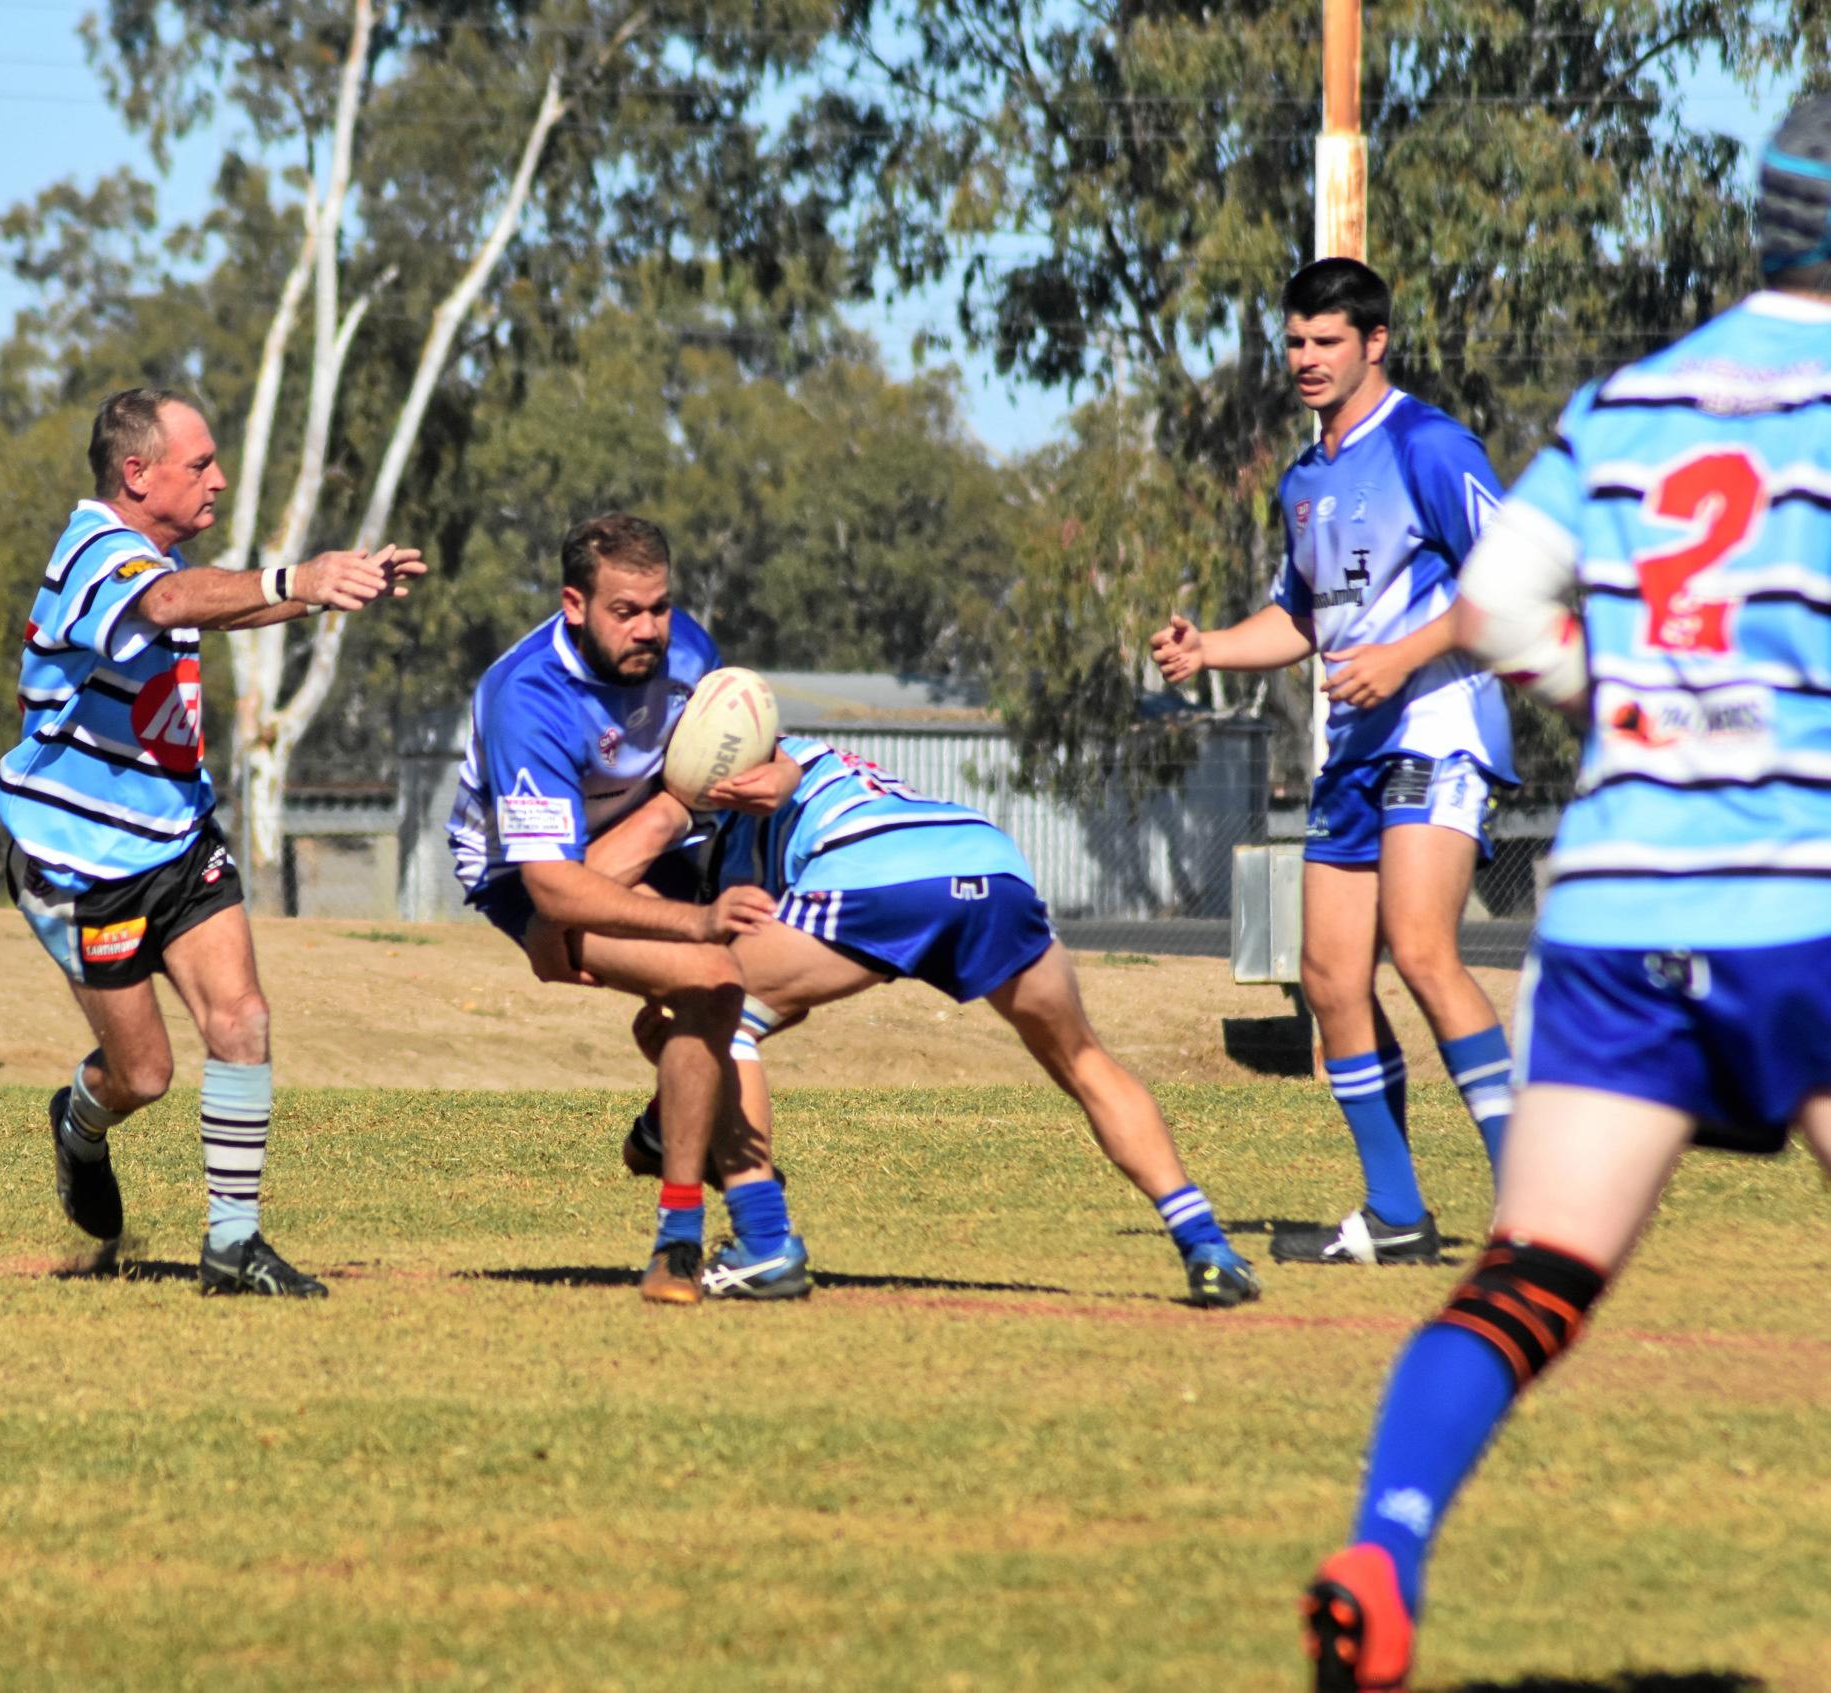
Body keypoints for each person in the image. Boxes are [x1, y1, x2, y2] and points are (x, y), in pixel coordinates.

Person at [1300, 99, 1831, 1689]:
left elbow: (1500, 598)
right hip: (1802, 895)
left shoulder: (1632, 399)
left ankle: (1383, 1547)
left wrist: (1616, 706)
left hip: (1615, 905)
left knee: (1532, 1272)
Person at [0, 386, 423, 1298]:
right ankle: (80, 1122)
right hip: (85, 867)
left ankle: (232, 1243)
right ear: (136, 472)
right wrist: (292, 578)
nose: (219, 480)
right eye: (200, 464)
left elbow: (206, 602)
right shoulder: (96, 552)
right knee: (143, 1074)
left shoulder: (158, 555)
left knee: (243, 1019)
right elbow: (167, 603)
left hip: (179, 841)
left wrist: (328, 588)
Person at [606, 735, 1262, 1307]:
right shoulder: (801, 758)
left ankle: (763, 1242)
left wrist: (671, 1066)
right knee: (1084, 1060)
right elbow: (796, 991)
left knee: (722, 1017)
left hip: (880, 873)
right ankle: (1207, 1247)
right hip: (987, 861)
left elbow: (740, 995)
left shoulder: (730, 819)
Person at [1150, 258, 1520, 1268]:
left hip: (1436, 725)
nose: (1306, 359)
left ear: (1374, 343)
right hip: (1352, 749)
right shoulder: (1305, 479)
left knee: (1424, 947)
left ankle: (1537, 1210)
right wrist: (1208, 649)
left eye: (1326, 341)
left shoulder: (1431, 445)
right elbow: (1301, 618)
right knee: (1327, 973)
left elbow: (1522, 587)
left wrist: (1404, 653)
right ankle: (1396, 1210)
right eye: (1295, 341)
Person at [445, 512, 778, 1305]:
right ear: (574, 604)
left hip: (650, 835)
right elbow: (555, 886)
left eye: (659, 606)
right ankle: (682, 1237)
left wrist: (782, 775)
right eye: (625, 611)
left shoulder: (689, 649)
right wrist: (695, 918)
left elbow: (741, 746)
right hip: (524, 874)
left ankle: (674, 1121)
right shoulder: (527, 696)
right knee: (711, 975)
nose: (650, 629)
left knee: (739, 989)